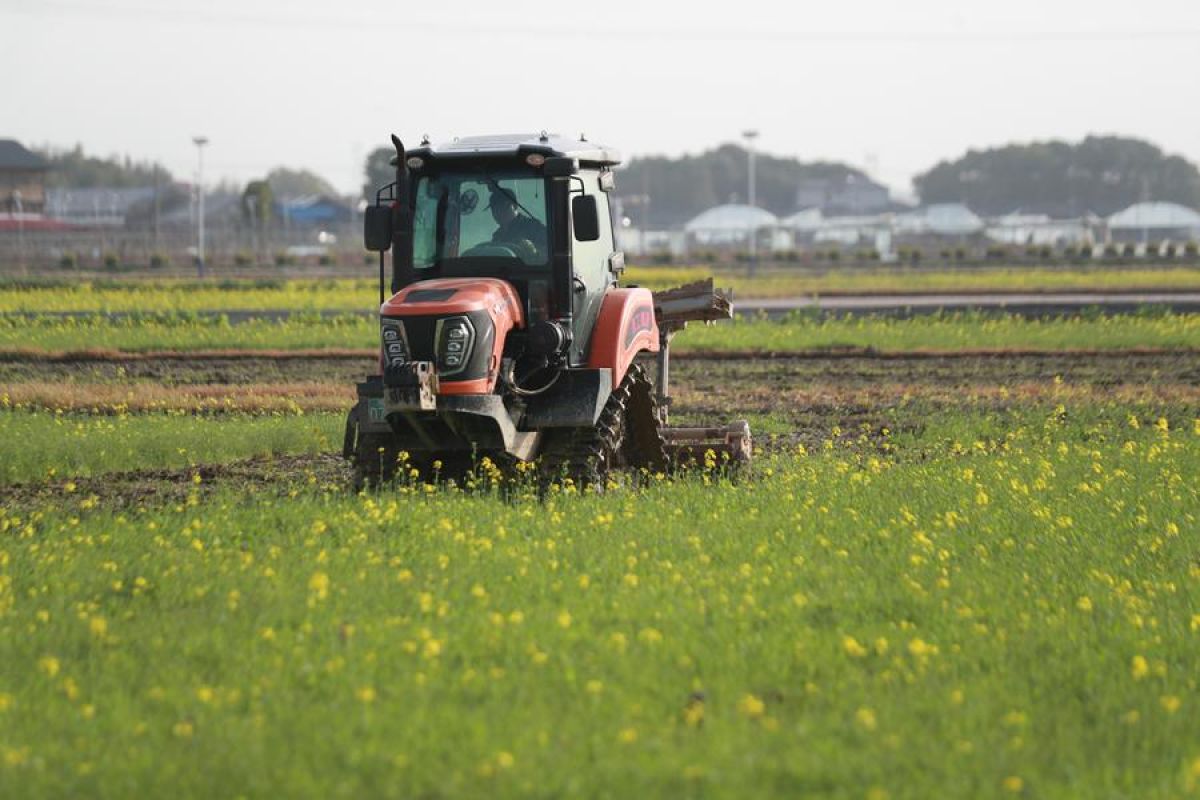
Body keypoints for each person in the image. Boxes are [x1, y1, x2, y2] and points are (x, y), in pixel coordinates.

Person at [487, 188, 547, 262]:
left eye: (503, 206)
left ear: (515, 206)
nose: (498, 212)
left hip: (528, 272)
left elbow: (552, 252)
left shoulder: (534, 227)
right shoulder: (497, 235)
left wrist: (536, 252)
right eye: (494, 209)